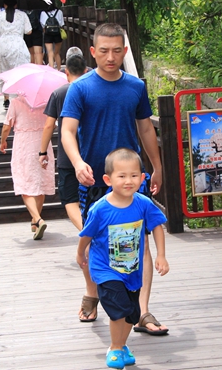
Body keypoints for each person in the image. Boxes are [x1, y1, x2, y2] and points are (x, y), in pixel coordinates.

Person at [61, 23, 169, 336]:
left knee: (140, 241)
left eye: (117, 50)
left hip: (131, 179)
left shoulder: (135, 87)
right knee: (96, 239)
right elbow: (68, 130)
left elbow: (146, 128)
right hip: (95, 177)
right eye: (104, 51)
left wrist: (156, 166)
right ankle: (92, 292)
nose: (111, 57)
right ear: (93, 52)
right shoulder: (80, 88)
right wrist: (78, 161)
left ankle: (142, 311)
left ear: (125, 51)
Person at [77, 148, 169, 369]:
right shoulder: (100, 209)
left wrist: (161, 255)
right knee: (118, 309)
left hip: (132, 270)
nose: (129, 181)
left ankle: (122, 345)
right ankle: (115, 348)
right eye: (122, 176)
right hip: (105, 269)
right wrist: (80, 253)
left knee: (131, 312)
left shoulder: (143, 203)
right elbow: (87, 234)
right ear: (108, 179)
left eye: (134, 175)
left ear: (142, 178)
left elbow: (157, 226)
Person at [38, 47, 97, 320]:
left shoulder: (60, 93)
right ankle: (91, 230)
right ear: (86, 68)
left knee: (70, 201)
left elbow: (49, 125)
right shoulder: (92, 87)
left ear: (65, 71)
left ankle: (87, 231)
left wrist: (42, 152)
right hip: (92, 155)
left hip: (68, 158)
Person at [0, 96, 55, 240]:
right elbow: (52, 124)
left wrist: (3, 141)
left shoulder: (16, 102)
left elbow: (7, 126)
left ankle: (37, 219)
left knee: (25, 183)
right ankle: (35, 222)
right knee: (40, 182)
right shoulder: (46, 102)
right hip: (42, 143)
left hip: (24, 144)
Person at [0, 0, 32, 109]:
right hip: (18, 45)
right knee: (20, 72)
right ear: (16, 5)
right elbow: (29, 31)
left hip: (3, 46)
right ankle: (20, 97)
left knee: (4, 72)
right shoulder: (22, 15)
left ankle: (6, 99)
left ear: (4, 5)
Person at [39, 0, 64, 69]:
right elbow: (61, 24)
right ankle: (59, 69)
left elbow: (43, 25)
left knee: (50, 53)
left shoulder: (43, 13)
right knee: (56, 53)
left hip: (48, 34)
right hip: (57, 34)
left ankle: (52, 70)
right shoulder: (59, 11)